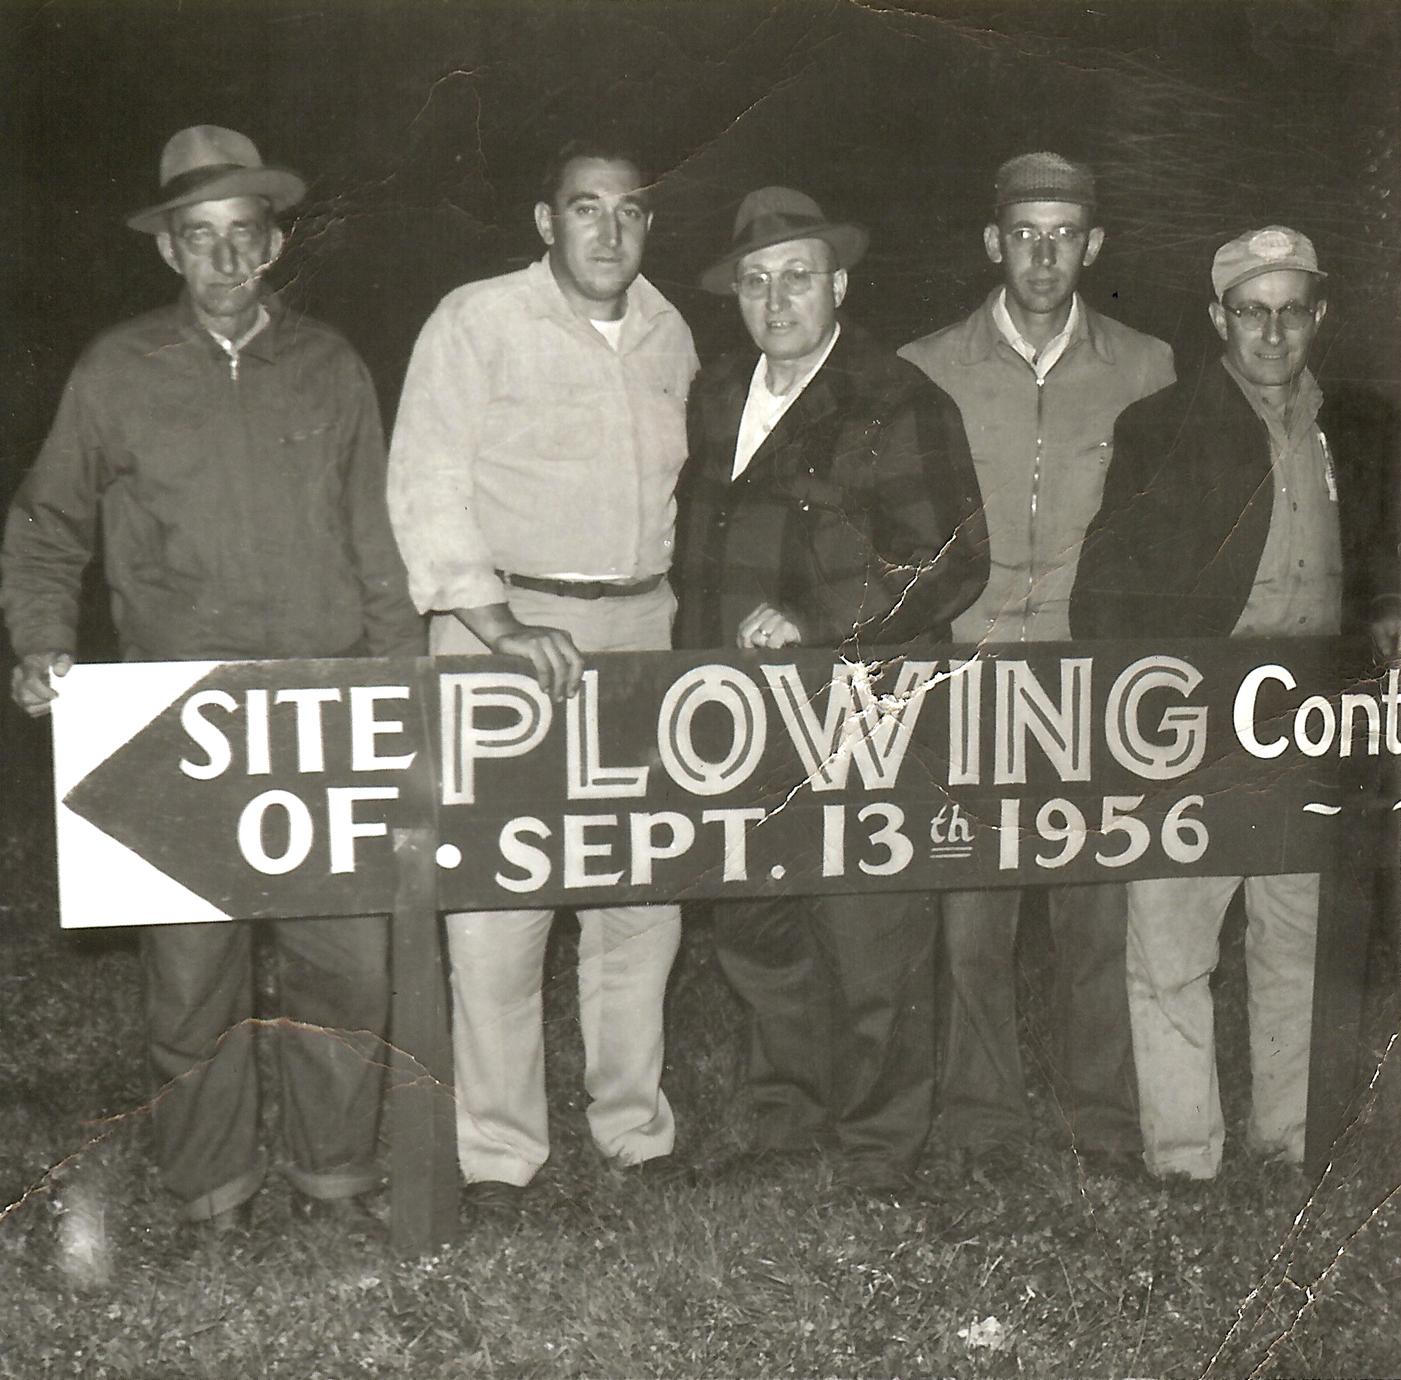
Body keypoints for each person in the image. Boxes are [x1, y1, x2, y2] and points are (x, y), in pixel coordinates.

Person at [0, 126, 424, 1232]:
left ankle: (336, 1174)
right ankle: (214, 1188)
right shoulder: (116, 370)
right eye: (201, 237)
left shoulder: (332, 364)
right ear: (168, 250)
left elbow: (376, 540)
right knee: (193, 977)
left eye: (245, 234)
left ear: (275, 242)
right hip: (179, 712)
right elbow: (46, 524)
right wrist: (41, 640)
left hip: (324, 705)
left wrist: (403, 691)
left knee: (348, 965)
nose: (226, 260)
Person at [387, 140, 698, 1212]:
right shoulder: (477, 320)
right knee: (497, 899)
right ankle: (499, 1152)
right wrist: (496, 623)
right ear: (544, 220)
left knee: (640, 889)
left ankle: (633, 1129)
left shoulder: (669, 330)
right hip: (507, 631)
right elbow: (425, 480)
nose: (609, 231)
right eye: (585, 208)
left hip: (641, 625)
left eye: (629, 210)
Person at [675, 186, 988, 1195]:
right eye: (755, 282)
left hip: (866, 701)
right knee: (757, 920)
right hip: (738, 709)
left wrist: (815, 620)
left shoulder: (899, 398)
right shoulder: (717, 394)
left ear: (839, 284)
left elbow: (951, 559)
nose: (775, 301)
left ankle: (878, 1149)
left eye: (797, 278)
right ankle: (787, 1124)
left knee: (869, 931)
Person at [1072, 226, 1401, 1180]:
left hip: (1312, 714)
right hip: (1197, 714)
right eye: (1251, 311)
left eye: (1291, 310)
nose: (1271, 331)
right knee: (1173, 941)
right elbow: (1102, 590)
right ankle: (1183, 1156)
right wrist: (1154, 699)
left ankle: (1291, 1141)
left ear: (1318, 315)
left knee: (1294, 935)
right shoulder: (1160, 425)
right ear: (1217, 319)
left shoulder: (1360, 426)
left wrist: (1383, 604)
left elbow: (1380, 544)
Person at [899, 152, 1175, 1174]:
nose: (1044, 256)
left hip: (1090, 675)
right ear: (993, 243)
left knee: (1094, 909)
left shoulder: (1147, 366)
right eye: (1025, 234)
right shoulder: (926, 365)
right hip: (968, 667)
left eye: (1064, 235)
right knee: (973, 913)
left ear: (1093, 245)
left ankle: (1100, 1118)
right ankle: (983, 1121)